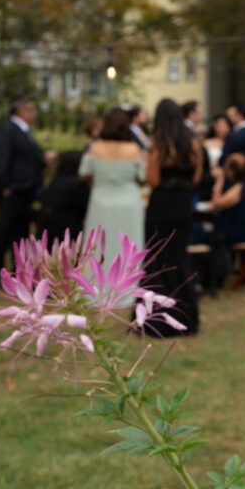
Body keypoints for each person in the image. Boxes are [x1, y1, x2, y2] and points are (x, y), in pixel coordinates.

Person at [142, 98, 203, 336]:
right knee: (180, 258)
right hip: (182, 205)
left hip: (160, 206)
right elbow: (197, 178)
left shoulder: (159, 144)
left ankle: (155, 320)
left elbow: (153, 180)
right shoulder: (192, 142)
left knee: (157, 260)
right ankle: (187, 317)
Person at [79, 108, 145, 291]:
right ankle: (127, 286)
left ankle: (94, 285)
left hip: (101, 201)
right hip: (129, 203)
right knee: (129, 245)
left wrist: (97, 184)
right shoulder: (133, 149)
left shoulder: (95, 147)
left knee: (99, 245)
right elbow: (142, 176)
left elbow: (84, 173)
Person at [0, 98, 48, 287]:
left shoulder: (24, 132)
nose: (34, 113)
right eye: (31, 109)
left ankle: (18, 272)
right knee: (4, 232)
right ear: (20, 111)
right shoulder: (8, 130)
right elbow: (2, 160)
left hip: (26, 191)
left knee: (20, 233)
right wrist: (5, 187)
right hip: (12, 191)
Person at [39, 150, 90, 246]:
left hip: (49, 230)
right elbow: (85, 207)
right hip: (67, 233)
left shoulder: (56, 180)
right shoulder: (77, 185)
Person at [209, 153, 245, 246]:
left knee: (214, 238)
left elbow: (216, 204)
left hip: (242, 233)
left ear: (232, 171)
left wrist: (219, 180)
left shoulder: (239, 188)